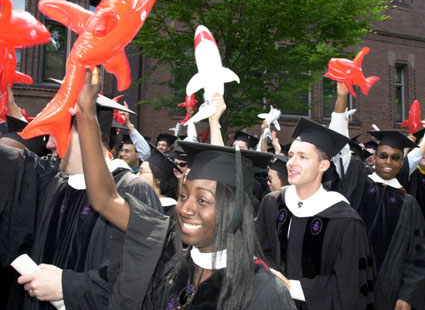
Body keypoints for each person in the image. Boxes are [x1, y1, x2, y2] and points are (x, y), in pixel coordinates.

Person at [75, 68, 296, 310]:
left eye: (202, 200)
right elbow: (104, 200)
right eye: (182, 195)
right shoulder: (171, 252)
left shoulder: (263, 292)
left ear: (232, 211)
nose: (185, 208)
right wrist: (86, 114)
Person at [0, 69, 162, 310]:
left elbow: (135, 280)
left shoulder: (130, 192)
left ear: (87, 131)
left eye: (58, 131)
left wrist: (67, 286)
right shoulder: (54, 183)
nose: (49, 143)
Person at [256, 117, 374, 310]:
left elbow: (350, 286)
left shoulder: (344, 220)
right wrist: (271, 278)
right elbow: (261, 250)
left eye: (303, 157)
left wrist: (292, 287)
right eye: (292, 155)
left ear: (323, 166)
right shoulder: (272, 203)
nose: (291, 163)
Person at [330, 82, 425, 310]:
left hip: (388, 293)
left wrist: (408, 295)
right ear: (376, 157)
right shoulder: (359, 180)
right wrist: (341, 98)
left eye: (395, 157)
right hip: (348, 284)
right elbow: (339, 146)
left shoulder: (408, 203)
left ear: (402, 162)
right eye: (383, 156)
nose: (388, 162)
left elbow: (418, 254)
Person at [138, 143, 180, 216]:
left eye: (142, 172)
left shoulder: (171, 210)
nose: (136, 175)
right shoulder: (140, 202)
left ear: (158, 180)